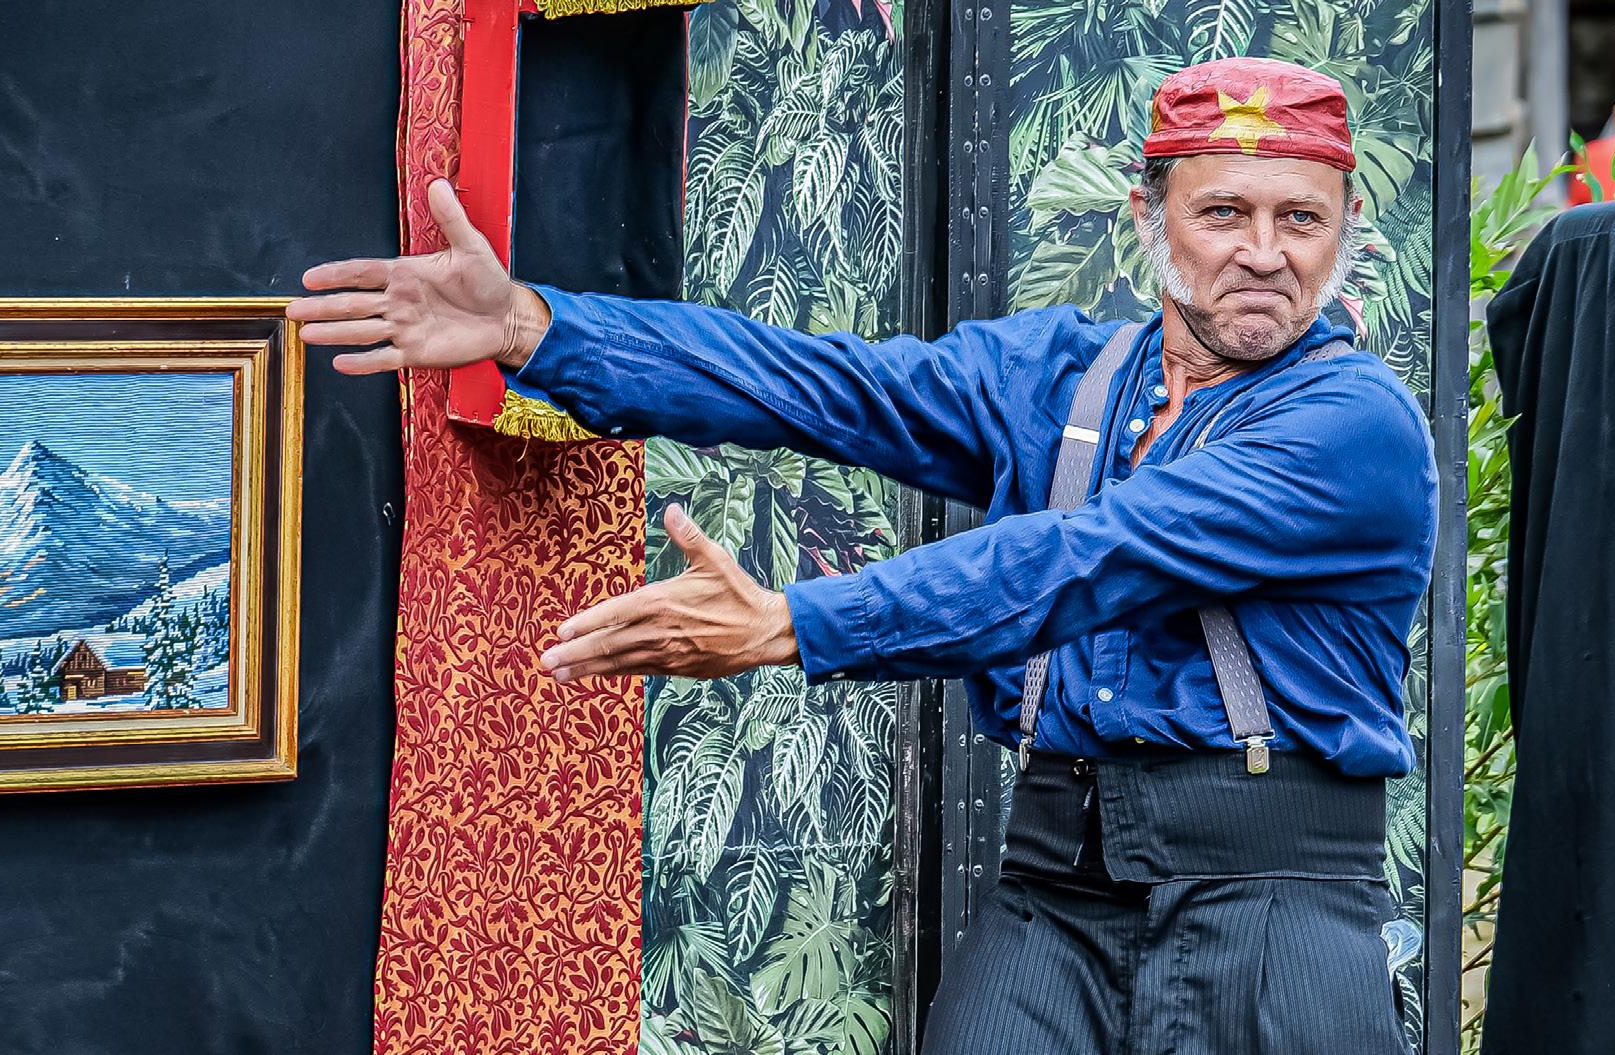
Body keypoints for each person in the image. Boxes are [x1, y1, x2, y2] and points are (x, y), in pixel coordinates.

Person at [292, 56, 1436, 1054]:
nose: (1262, 252)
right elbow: (831, 386)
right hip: (1056, 886)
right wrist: (535, 326)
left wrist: (792, 622)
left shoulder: (1351, 425)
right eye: (1223, 212)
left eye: (1300, 220)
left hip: (1269, 899)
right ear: (1150, 216)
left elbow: (1087, 556)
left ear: (1344, 232)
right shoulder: (1057, 374)